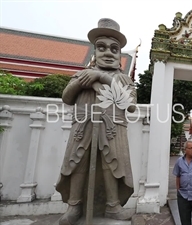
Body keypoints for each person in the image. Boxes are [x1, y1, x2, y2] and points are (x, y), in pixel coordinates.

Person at [56, 18, 136, 224]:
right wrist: (85, 79)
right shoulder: (82, 74)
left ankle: (113, 205)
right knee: (77, 162)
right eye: (101, 48)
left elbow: (131, 104)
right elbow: (66, 97)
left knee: (112, 164)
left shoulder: (123, 79)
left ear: (120, 56)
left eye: (114, 49)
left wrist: (103, 78)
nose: (108, 52)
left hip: (112, 127)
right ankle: (74, 205)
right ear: (94, 53)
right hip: (84, 124)